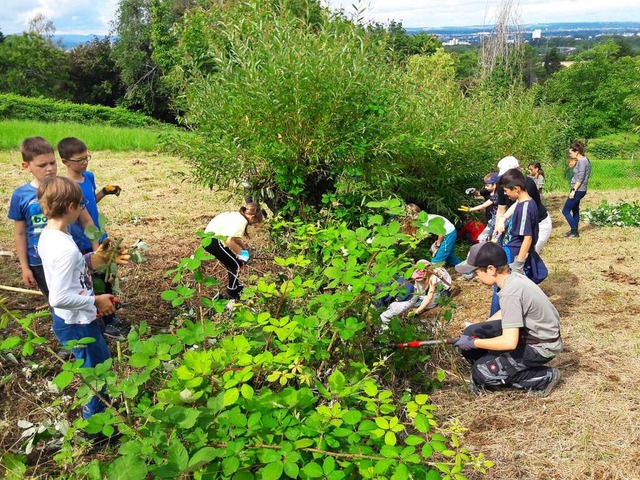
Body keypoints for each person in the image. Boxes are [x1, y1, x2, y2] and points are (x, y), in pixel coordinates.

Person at [37, 176, 128, 420]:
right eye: (81, 204)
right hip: (76, 322)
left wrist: (93, 260)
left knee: (97, 362)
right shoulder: (65, 248)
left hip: (72, 318)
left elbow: (68, 272)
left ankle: (100, 411)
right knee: (97, 371)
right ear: (71, 207)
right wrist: (95, 301)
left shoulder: (51, 235)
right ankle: (95, 428)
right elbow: (58, 297)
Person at [8, 138, 98, 357]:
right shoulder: (21, 196)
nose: (49, 169)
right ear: (26, 166)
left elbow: (87, 221)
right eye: (42, 165)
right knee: (56, 301)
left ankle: (91, 332)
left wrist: (97, 249)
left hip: (72, 255)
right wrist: (25, 267)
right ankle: (70, 341)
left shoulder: (69, 188)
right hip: (40, 261)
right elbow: (20, 233)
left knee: (82, 291)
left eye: (52, 163)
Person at [453, 242, 562, 397]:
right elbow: (507, 312)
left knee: (482, 371)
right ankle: (496, 365)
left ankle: (543, 377)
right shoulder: (512, 276)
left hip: (541, 345)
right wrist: (479, 332)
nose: (476, 277)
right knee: (473, 332)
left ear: (491, 269)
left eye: (477, 272)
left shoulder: (511, 292)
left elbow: (509, 342)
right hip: (529, 332)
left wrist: (474, 343)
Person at [58, 137, 129, 338]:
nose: (84, 162)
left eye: (86, 157)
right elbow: (78, 217)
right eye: (79, 160)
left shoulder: (88, 176)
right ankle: (104, 322)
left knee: (107, 277)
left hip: (98, 236)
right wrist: (94, 247)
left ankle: (111, 314)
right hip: (82, 242)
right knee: (92, 282)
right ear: (65, 162)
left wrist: (104, 192)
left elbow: (90, 204)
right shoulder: (66, 186)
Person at [204, 202, 264, 300]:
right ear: (252, 217)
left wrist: (245, 249)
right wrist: (241, 253)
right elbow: (229, 241)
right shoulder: (242, 221)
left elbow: (235, 239)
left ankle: (235, 287)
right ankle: (232, 293)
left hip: (208, 240)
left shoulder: (237, 216)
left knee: (232, 264)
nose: (253, 225)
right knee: (236, 265)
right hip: (213, 241)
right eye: (254, 223)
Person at [494, 156, 552, 254]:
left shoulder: (527, 184)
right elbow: (501, 209)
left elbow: (518, 204)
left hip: (539, 225)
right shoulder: (503, 186)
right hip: (520, 226)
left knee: (528, 255)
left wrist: (503, 219)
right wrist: (496, 232)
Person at [562, 141, 591, 238]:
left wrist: (573, 191)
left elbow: (581, 178)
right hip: (577, 188)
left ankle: (574, 231)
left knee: (565, 211)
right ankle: (573, 230)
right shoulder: (581, 160)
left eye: (571, 153)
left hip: (578, 189)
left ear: (577, 151)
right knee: (575, 210)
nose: (569, 155)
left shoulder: (583, 161)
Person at [460, 172, 499, 243]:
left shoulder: (498, 194)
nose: (485, 187)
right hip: (489, 216)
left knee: (493, 237)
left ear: (495, 184)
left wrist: (470, 209)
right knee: (486, 237)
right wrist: (473, 192)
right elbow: (479, 193)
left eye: (487, 185)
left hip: (497, 218)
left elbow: (483, 205)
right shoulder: (487, 191)